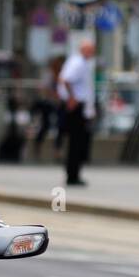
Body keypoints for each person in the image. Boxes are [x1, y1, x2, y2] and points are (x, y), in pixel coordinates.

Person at [59, 39, 96, 186]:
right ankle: (72, 175)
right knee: (76, 142)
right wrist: (72, 98)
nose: (91, 53)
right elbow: (66, 80)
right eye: (89, 50)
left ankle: (74, 173)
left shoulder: (81, 62)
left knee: (78, 142)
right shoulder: (78, 63)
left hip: (80, 107)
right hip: (76, 108)